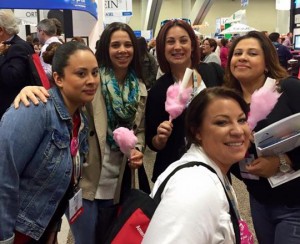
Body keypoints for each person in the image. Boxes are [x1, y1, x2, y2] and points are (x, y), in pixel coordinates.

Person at [14, 22, 147, 244]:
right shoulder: (92, 83)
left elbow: (139, 130)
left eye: (127, 44)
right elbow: (61, 98)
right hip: (85, 182)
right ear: (106, 48)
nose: (122, 50)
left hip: (119, 182)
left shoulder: (140, 89)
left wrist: (138, 149)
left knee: (112, 238)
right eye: (115, 45)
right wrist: (31, 88)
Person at [0, 41, 99, 243]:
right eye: (81, 74)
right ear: (58, 78)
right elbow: (4, 178)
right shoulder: (35, 109)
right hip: (17, 233)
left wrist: (53, 228)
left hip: (43, 229)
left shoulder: (79, 120)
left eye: (95, 73)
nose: (91, 80)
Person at [143, 87, 251, 243]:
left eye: (241, 120)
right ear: (197, 132)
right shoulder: (196, 185)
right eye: (222, 122)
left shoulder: (210, 171)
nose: (238, 131)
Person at [224, 30, 300, 244]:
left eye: (252, 53)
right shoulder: (227, 102)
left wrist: (283, 162)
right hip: (258, 201)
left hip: (294, 203)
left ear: (267, 62)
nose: (242, 57)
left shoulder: (288, 89)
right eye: (237, 53)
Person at [145, 19, 224, 182]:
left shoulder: (212, 72)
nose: (177, 47)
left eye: (183, 40)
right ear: (162, 48)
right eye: (170, 42)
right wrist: (160, 138)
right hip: (178, 172)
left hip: (216, 163)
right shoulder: (158, 91)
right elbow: (152, 142)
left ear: (193, 45)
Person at [0, 9, 34, 119]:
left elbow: (13, 78)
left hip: (12, 110)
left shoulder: (17, 47)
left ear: (1, 30)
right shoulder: (21, 44)